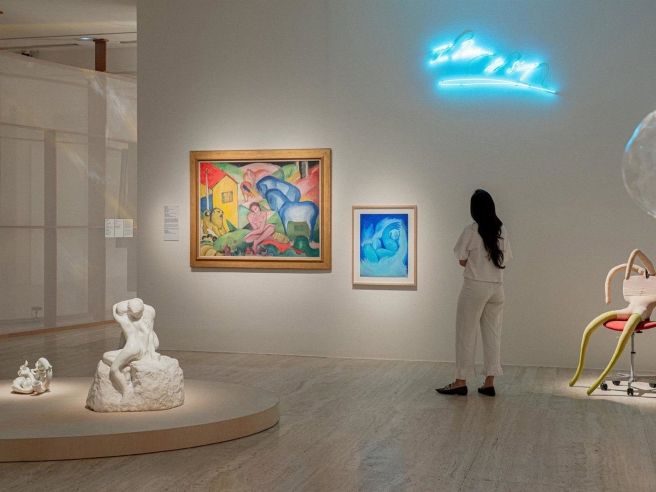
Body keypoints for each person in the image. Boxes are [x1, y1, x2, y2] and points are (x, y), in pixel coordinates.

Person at [436, 189, 512, 397]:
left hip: (475, 286)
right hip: (497, 288)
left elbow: (461, 259)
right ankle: (489, 383)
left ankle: (460, 381)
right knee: (493, 334)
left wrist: (476, 263)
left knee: (465, 333)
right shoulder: (502, 230)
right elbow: (505, 259)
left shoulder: (471, 230)